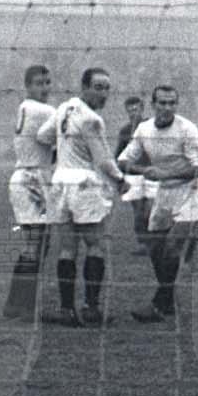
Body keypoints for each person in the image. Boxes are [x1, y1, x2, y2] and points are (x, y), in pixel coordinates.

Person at [40, 67, 128, 326]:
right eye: (98, 87)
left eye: (107, 88)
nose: (104, 93)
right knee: (95, 244)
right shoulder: (92, 119)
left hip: (60, 182)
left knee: (67, 248)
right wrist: (120, 180)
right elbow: (103, 160)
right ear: (84, 87)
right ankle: (91, 308)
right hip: (84, 184)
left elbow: (43, 135)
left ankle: (66, 310)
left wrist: (64, 149)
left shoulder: (64, 108)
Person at [120, 84, 198, 323]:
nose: (167, 108)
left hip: (192, 192)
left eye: (172, 103)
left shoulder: (187, 129)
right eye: (162, 103)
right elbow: (123, 161)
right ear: (153, 105)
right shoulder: (144, 129)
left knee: (171, 248)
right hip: (165, 193)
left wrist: (165, 174)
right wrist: (144, 170)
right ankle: (168, 302)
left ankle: (158, 305)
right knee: (155, 249)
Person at [4, 65, 57, 318]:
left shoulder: (25, 107)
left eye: (47, 83)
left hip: (28, 176)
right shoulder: (43, 110)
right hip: (32, 179)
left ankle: (18, 303)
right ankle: (21, 305)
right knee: (36, 244)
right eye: (39, 83)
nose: (45, 88)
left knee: (37, 243)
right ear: (27, 86)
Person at [114, 94, 152, 252]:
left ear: (142, 109)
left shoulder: (151, 126)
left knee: (150, 209)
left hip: (151, 174)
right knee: (138, 211)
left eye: (136, 109)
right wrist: (119, 177)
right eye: (130, 110)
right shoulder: (125, 131)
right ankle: (143, 243)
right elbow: (118, 155)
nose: (133, 113)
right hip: (133, 176)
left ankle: (154, 240)